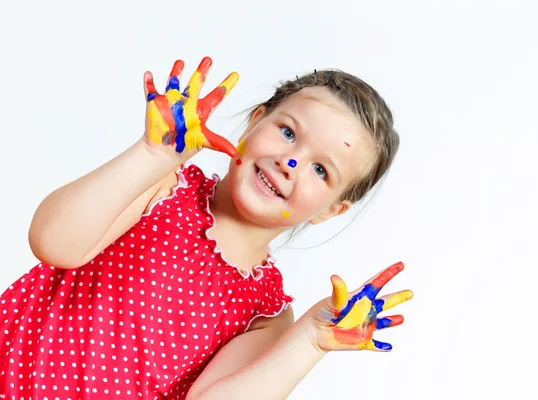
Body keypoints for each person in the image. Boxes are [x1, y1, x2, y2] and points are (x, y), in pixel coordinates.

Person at [0, 56, 413, 399]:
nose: (290, 163)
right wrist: (151, 154)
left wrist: (309, 340)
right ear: (254, 122)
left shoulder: (266, 315)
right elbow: (53, 242)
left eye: (320, 169)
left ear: (330, 210)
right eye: (287, 132)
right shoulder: (165, 185)